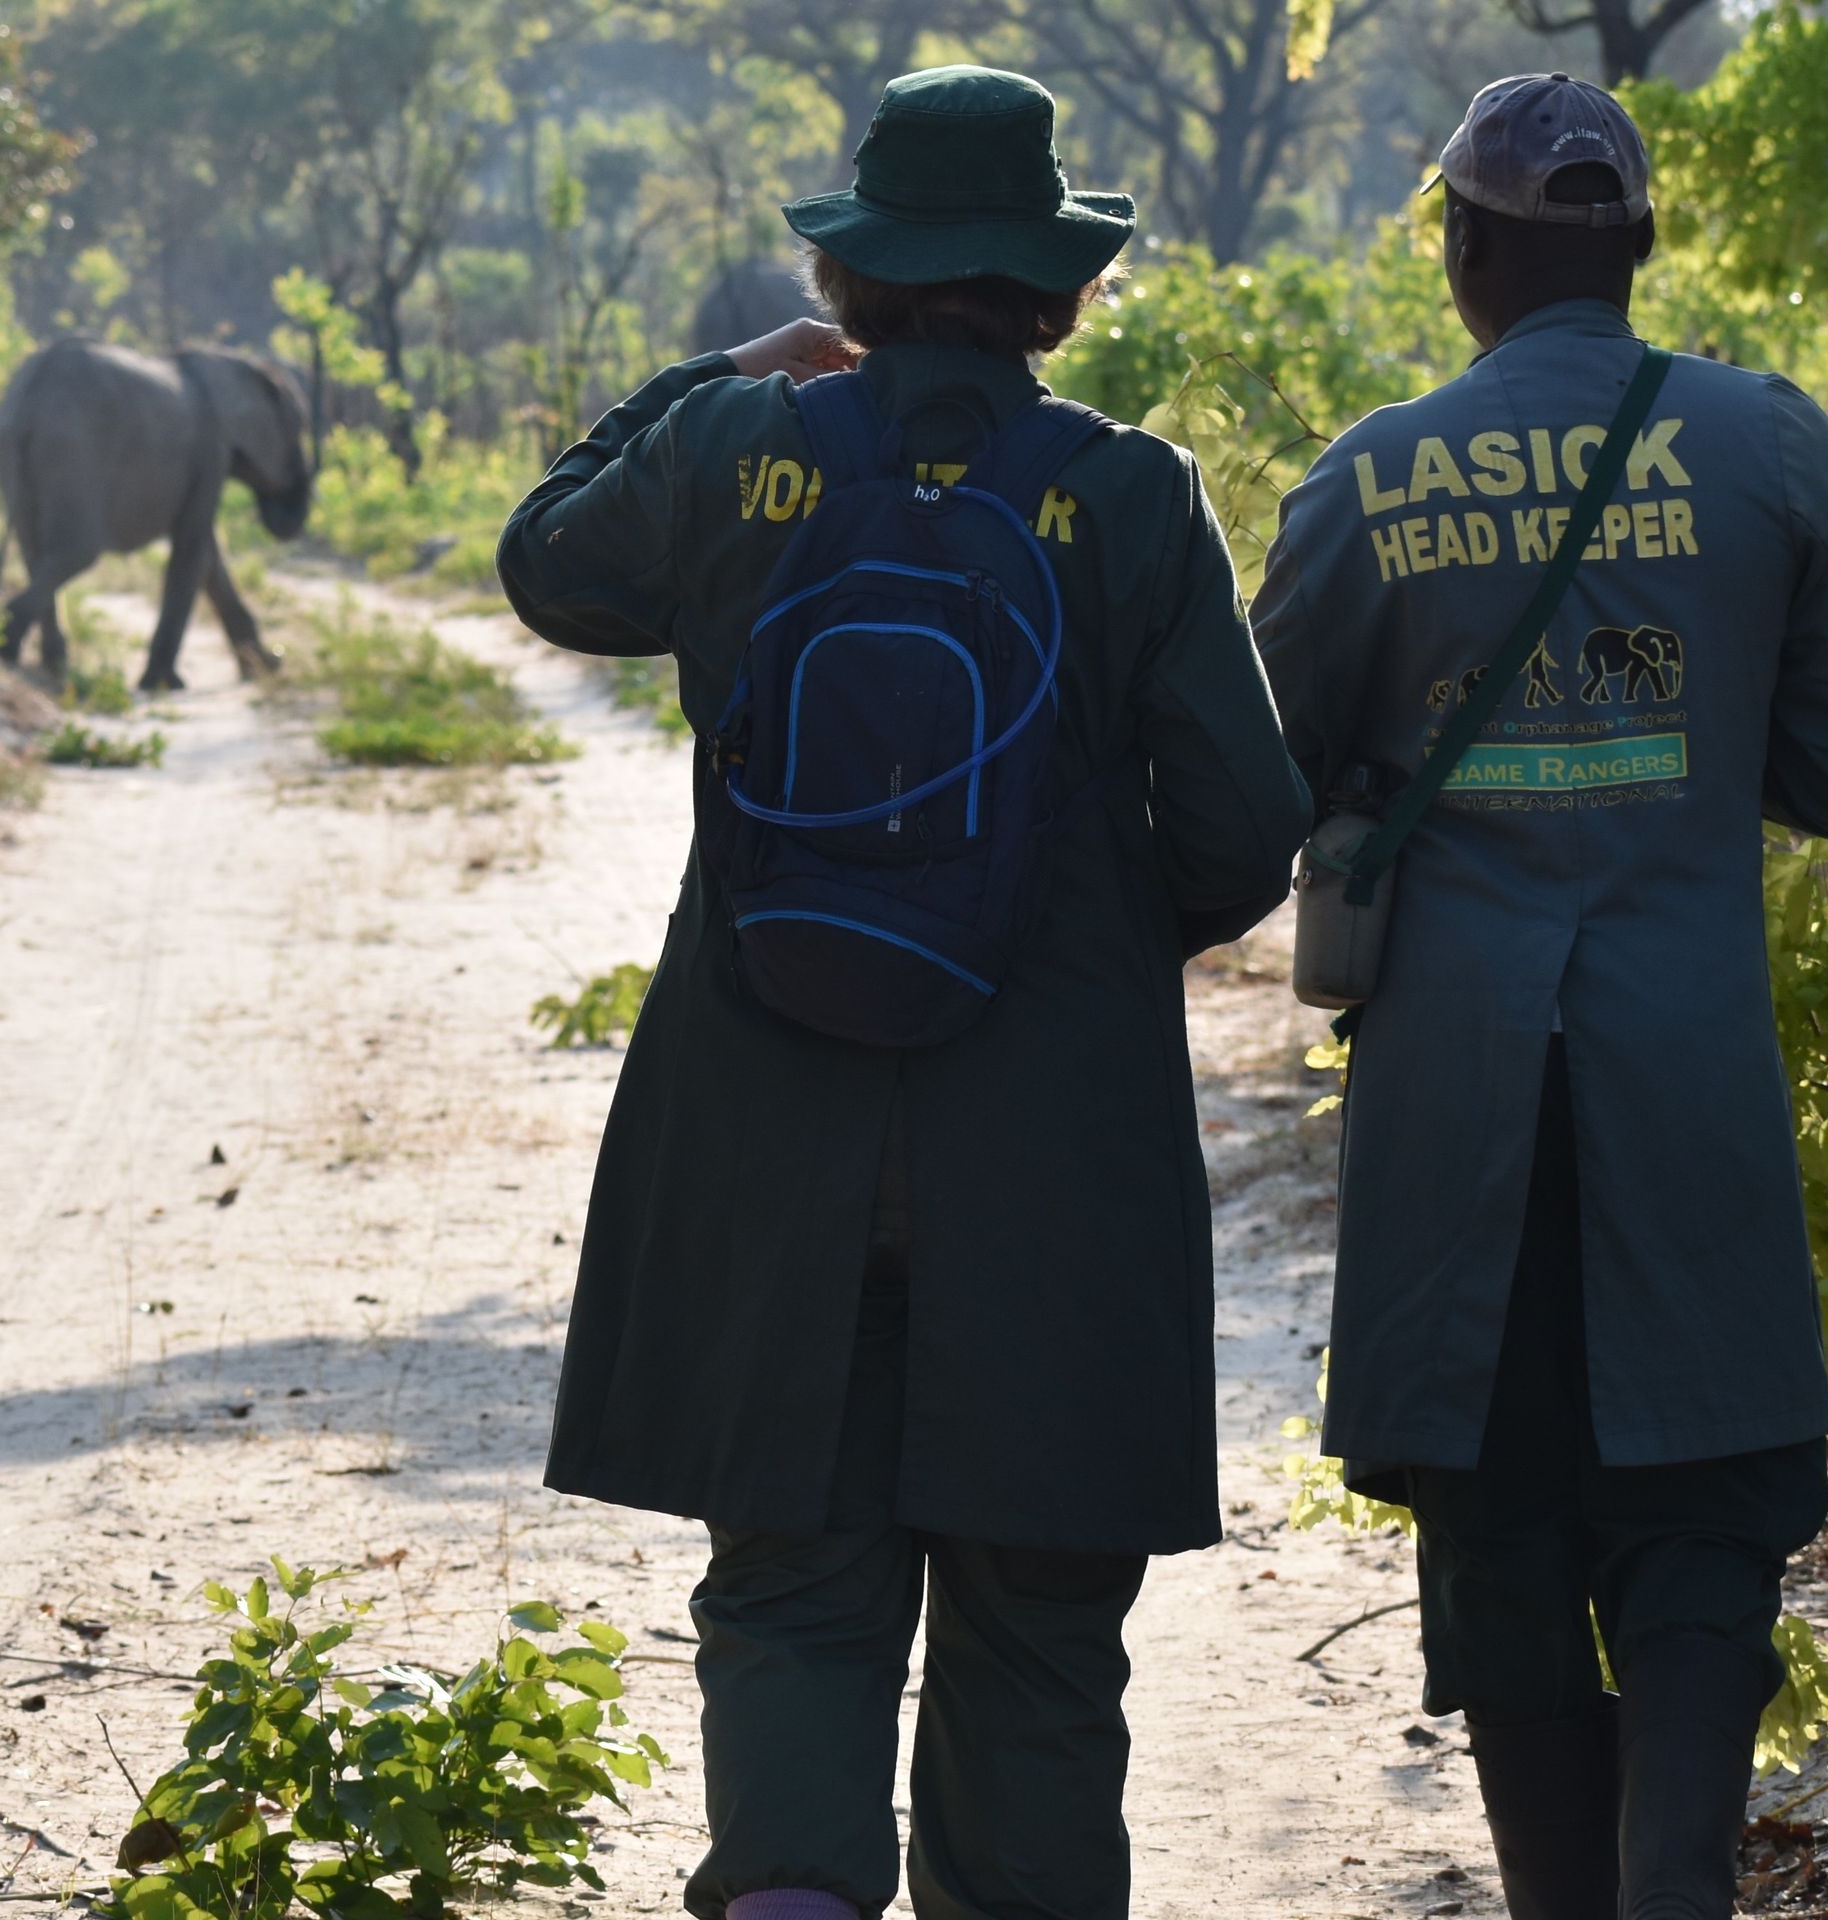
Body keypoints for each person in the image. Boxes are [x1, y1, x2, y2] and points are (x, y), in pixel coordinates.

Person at [495, 66, 1312, 1920]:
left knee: (790, 1593)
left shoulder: (736, 454)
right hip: (1056, 1154)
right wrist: (1073, 939)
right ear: (1057, 287)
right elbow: (1246, 834)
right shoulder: (1131, 494)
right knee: (1039, 1628)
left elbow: (546, 559)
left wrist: (720, 376)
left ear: (849, 275)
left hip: (764, 1134)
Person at [1247, 75, 1828, 1920]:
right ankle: (1677, 1885)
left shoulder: (1370, 479)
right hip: (1686, 1088)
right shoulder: (1772, 448)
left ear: (1461, 251)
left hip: (1461, 1120)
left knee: (1507, 1532)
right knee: (1701, 1517)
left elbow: (1247, 784)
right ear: (1642, 248)